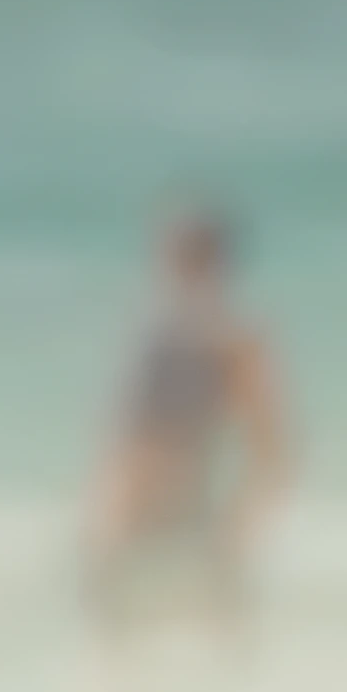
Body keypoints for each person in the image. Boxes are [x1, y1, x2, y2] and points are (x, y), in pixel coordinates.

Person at [86, 208, 290, 640]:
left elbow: (270, 442)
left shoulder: (231, 338)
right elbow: (127, 435)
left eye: (180, 252)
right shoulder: (156, 330)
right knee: (124, 637)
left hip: (179, 504)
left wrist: (245, 517)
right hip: (136, 507)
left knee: (213, 631)